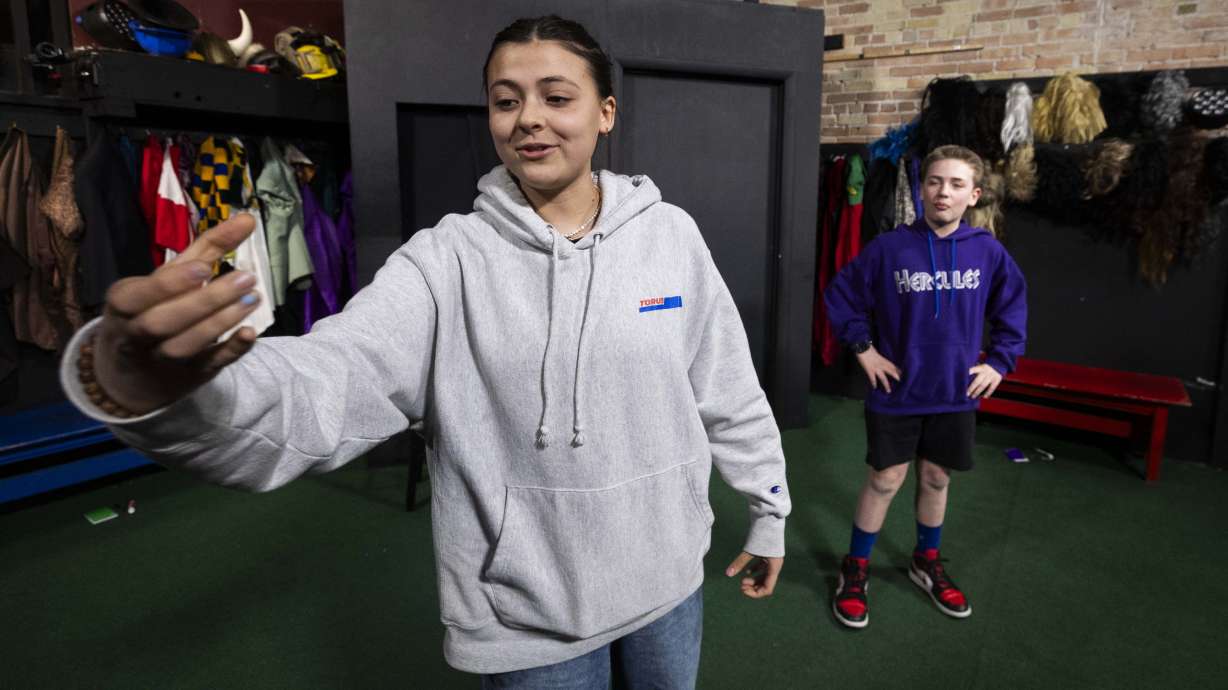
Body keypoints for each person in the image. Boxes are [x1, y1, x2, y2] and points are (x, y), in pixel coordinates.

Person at [60, 15, 791, 688]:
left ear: (604, 114)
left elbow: (726, 385)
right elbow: (332, 378)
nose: (528, 118)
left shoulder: (670, 237)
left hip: (668, 580)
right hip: (523, 615)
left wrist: (767, 510)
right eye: (506, 101)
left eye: (555, 96)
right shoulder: (445, 262)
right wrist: (155, 384)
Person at [823, 144, 1026, 629]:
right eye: (935, 181)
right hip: (898, 392)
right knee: (885, 479)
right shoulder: (891, 248)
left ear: (973, 195)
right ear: (922, 188)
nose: (943, 192)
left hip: (955, 393)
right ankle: (855, 567)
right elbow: (841, 296)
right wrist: (863, 348)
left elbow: (1012, 309)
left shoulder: (987, 251)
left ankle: (925, 560)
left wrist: (999, 362)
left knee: (937, 477)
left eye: (957, 184)